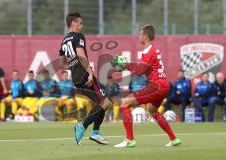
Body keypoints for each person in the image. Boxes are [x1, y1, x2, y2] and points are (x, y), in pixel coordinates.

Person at [111, 25, 181, 148]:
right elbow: (143, 69)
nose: (139, 36)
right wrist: (127, 65)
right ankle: (174, 139)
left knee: (124, 103)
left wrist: (125, 64)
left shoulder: (148, 50)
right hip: (163, 85)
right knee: (152, 110)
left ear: (146, 36)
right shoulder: (153, 49)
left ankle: (129, 139)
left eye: (140, 34)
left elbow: (140, 71)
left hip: (156, 85)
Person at [59, 12, 112, 145]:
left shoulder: (64, 40)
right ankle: (83, 127)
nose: (82, 26)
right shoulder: (78, 36)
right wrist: (89, 71)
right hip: (84, 74)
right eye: (80, 23)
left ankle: (96, 133)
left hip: (76, 77)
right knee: (105, 102)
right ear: (73, 24)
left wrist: (73, 67)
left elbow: (61, 64)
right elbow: (81, 55)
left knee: (101, 102)